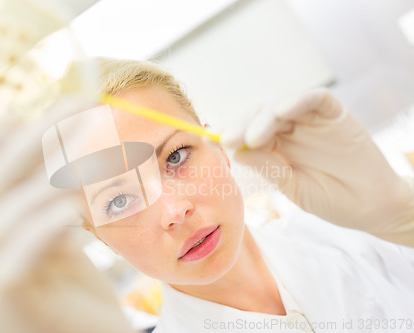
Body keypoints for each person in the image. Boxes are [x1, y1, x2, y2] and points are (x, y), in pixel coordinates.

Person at [77, 58, 414, 332]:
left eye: (176, 157)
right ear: (100, 237)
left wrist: (404, 214)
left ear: (217, 148)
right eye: (119, 201)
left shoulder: (356, 236)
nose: (174, 211)